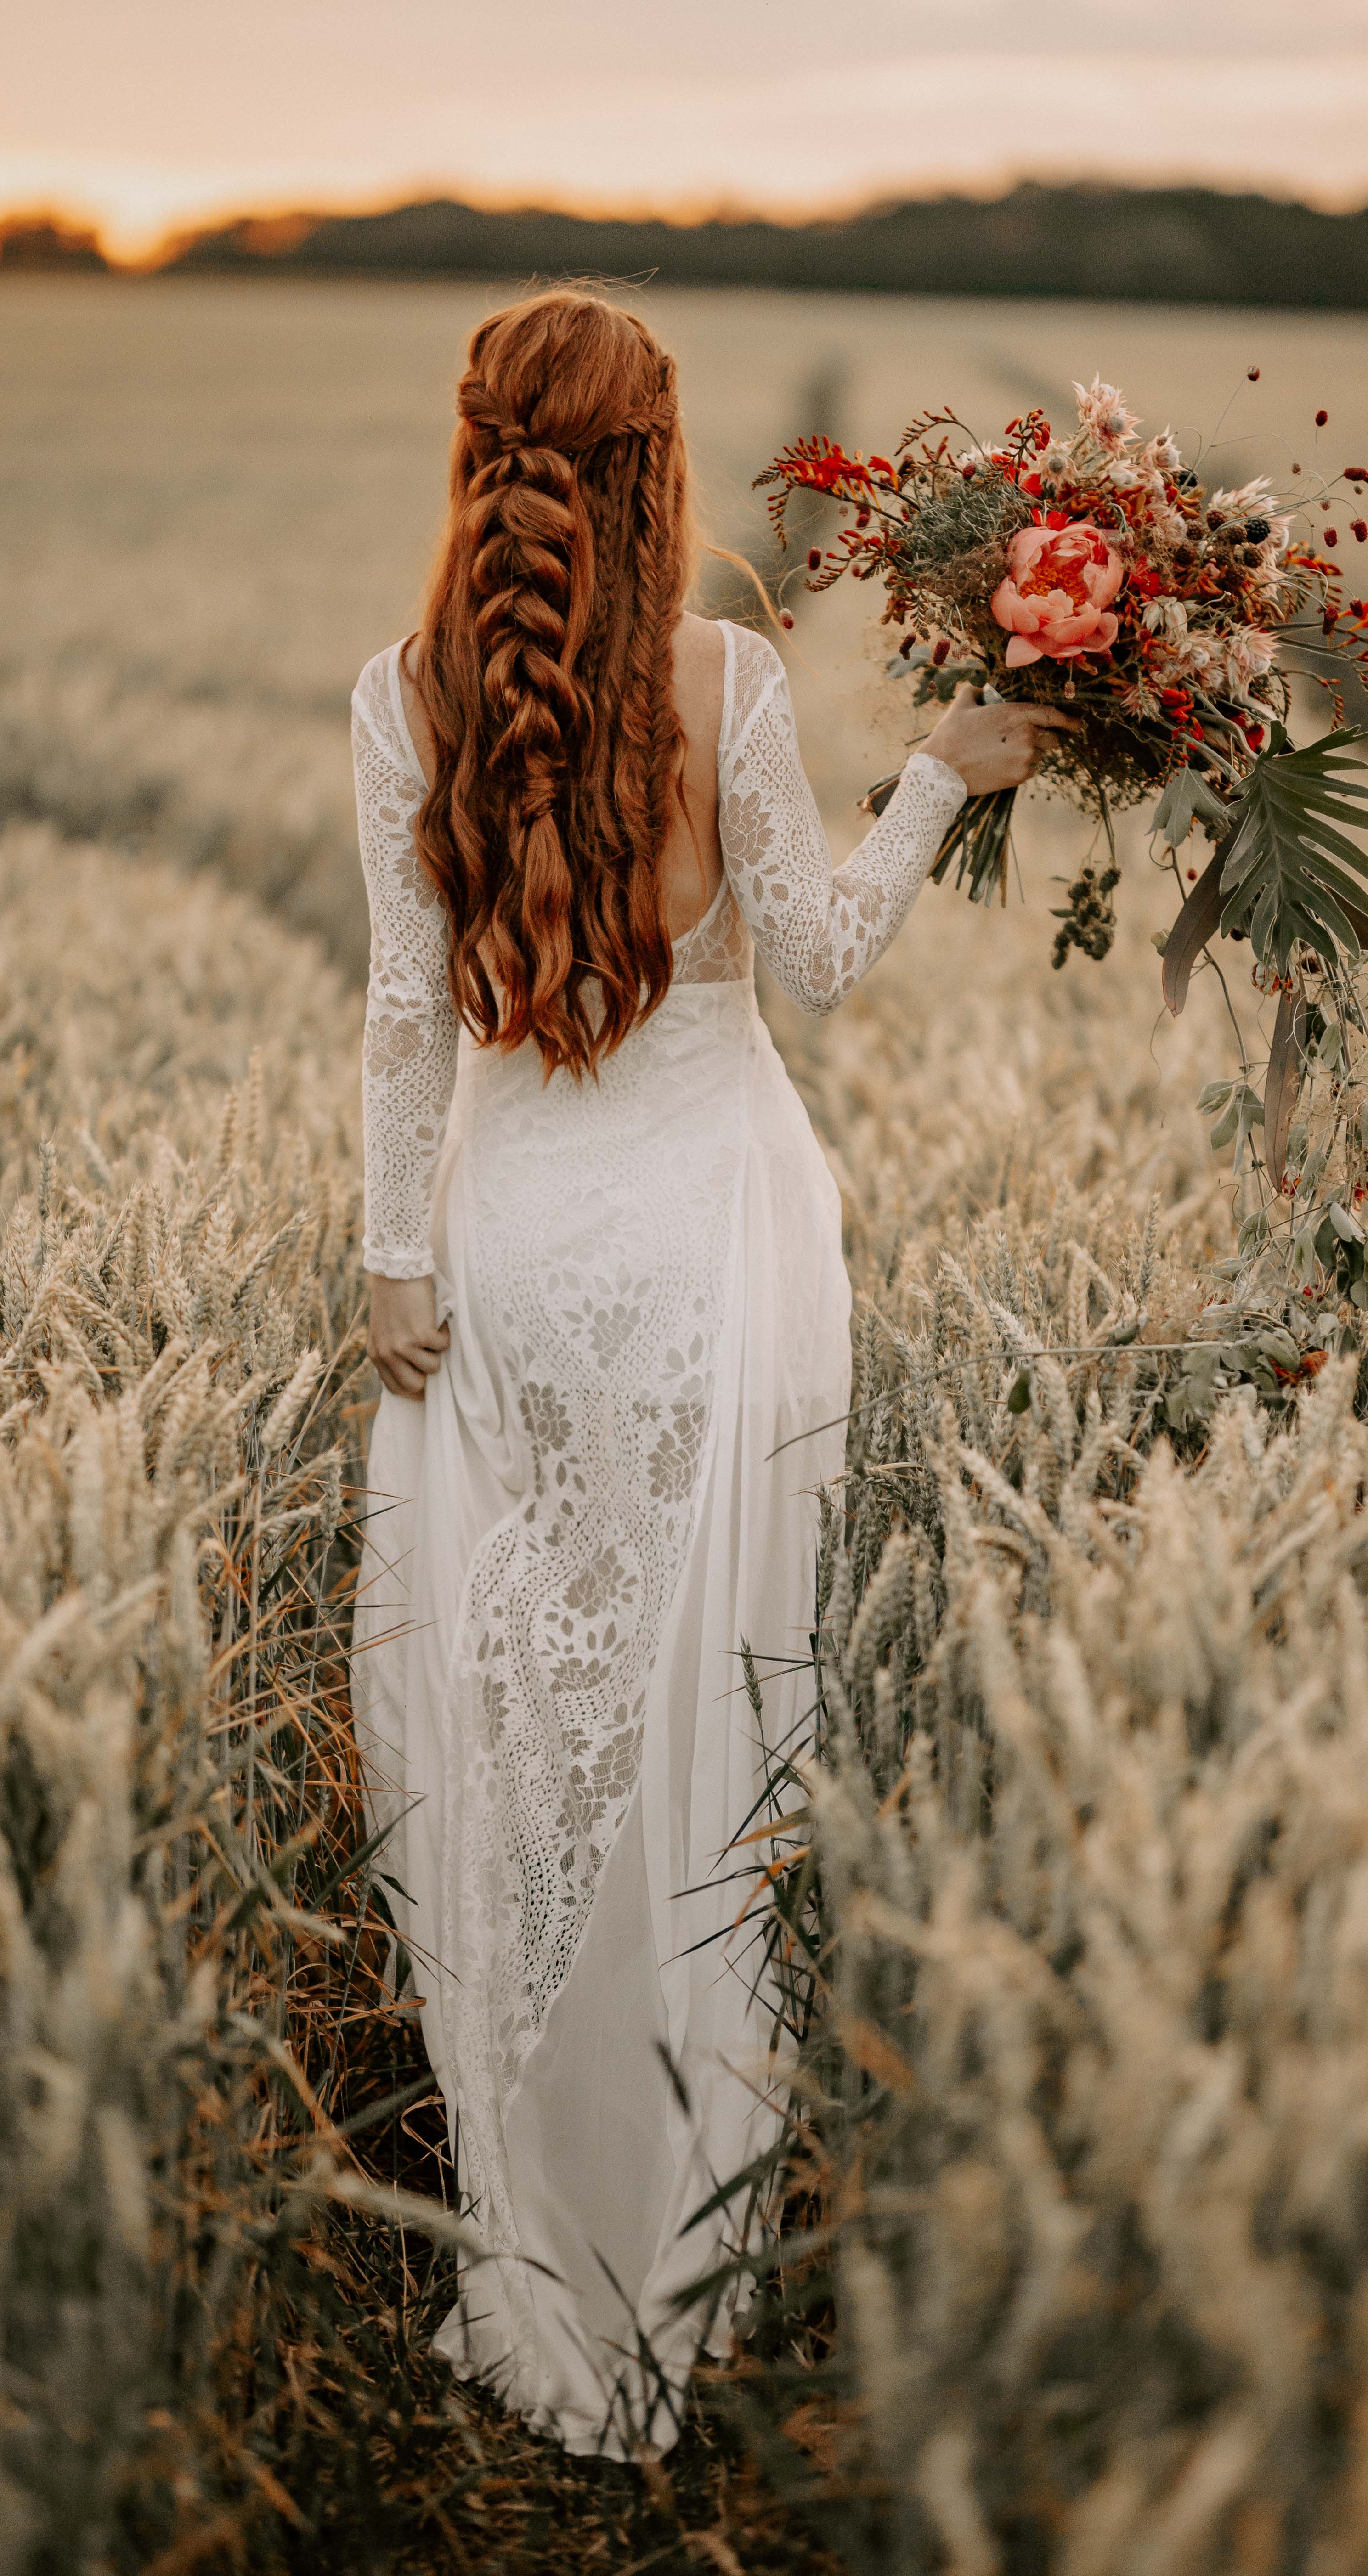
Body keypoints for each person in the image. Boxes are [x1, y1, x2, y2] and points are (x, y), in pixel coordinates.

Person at [350, 289, 1070, 2458]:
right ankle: (688, 2240)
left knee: (519, 1735)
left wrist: (394, 1260)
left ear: (476, 452)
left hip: (504, 1251)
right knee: (696, 1725)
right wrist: (939, 779)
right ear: (658, 461)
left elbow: (403, 1019)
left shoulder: (401, 694)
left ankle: (532, 2238)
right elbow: (824, 964)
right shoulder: (725, 679)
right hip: (705, 1242)